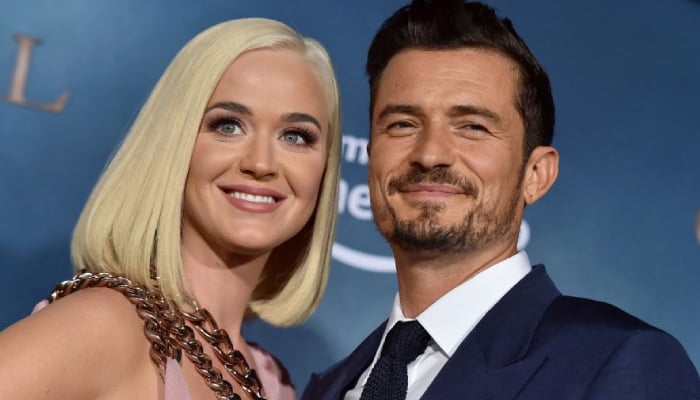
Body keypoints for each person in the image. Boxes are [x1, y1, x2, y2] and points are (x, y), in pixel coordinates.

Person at [302, 1, 700, 399]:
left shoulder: (620, 361)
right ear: (371, 156)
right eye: (403, 124)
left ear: (536, 174)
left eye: (472, 127)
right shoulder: (329, 387)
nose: (430, 153)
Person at [0, 17, 341, 400]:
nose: (261, 163)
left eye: (295, 136)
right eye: (228, 126)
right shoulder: (105, 326)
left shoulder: (273, 382)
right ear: (174, 143)